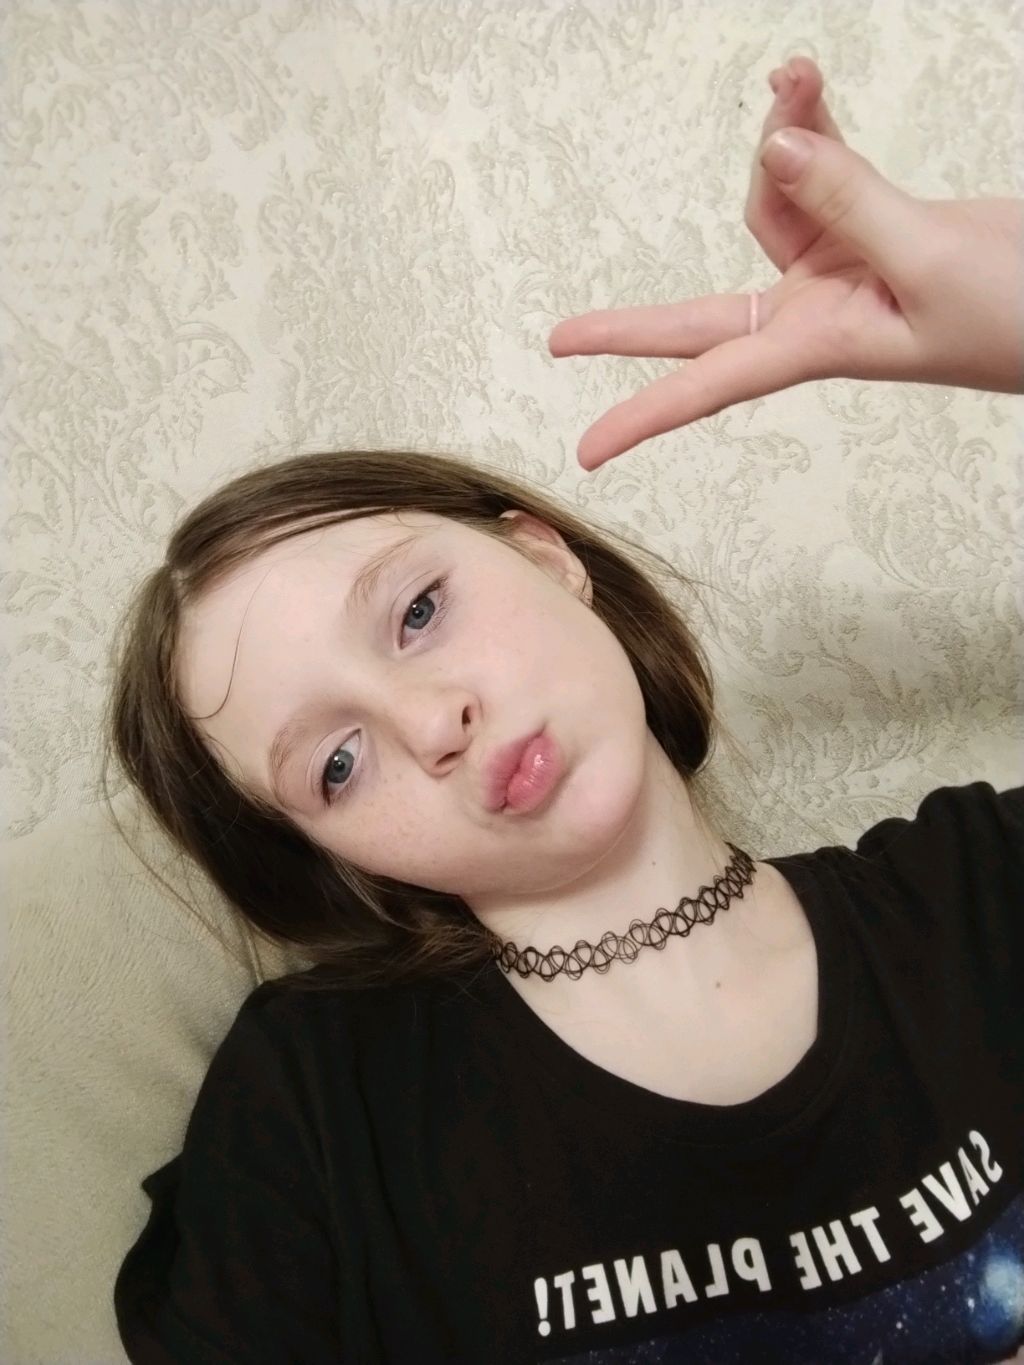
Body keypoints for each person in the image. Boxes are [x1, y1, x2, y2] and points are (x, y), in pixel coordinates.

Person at [110, 56, 1023, 1364]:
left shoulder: (981, 895)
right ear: (323, 850)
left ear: (545, 556)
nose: (433, 720)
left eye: (418, 611)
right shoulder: (315, 1112)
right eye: (338, 762)